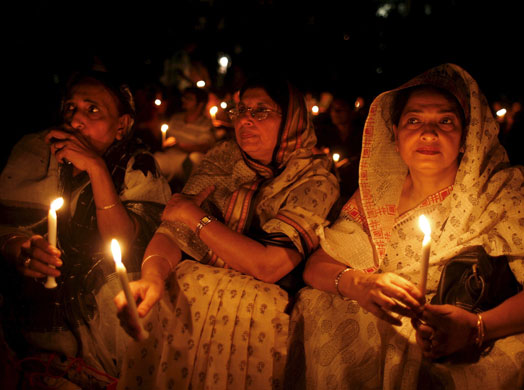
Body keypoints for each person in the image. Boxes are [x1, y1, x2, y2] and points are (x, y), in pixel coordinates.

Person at [287, 63, 524, 389]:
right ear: (395, 135)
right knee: (321, 304)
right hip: (380, 337)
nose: (429, 133)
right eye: (413, 120)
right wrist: (359, 284)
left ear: (465, 137)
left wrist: (476, 327)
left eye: (445, 121)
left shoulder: (503, 192)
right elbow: (319, 264)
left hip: (478, 340)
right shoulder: (377, 197)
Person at [115, 75, 339, 389]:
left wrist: (197, 218)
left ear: (292, 120)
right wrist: (152, 274)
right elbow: (171, 229)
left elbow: (269, 265)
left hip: (259, 317)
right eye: (240, 110)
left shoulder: (316, 177)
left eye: (261, 111)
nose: (245, 119)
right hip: (191, 299)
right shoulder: (223, 157)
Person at [0, 70, 171, 387]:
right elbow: (6, 229)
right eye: (70, 108)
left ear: (121, 125)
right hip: (31, 314)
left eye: (93, 109)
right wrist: (19, 250)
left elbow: (125, 242)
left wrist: (96, 167)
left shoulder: (137, 164)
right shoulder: (35, 151)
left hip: (102, 321)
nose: (76, 120)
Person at [154, 87, 216, 190]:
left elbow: (204, 147)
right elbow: (165, 140)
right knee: (153, 160)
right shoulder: (176, 118)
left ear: (200, 104)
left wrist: (179, 145)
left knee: (196, 158)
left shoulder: (205, 124)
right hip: (171, 156)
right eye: (184, 97)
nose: (184, 100)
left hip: (188, 160)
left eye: (189, 98)